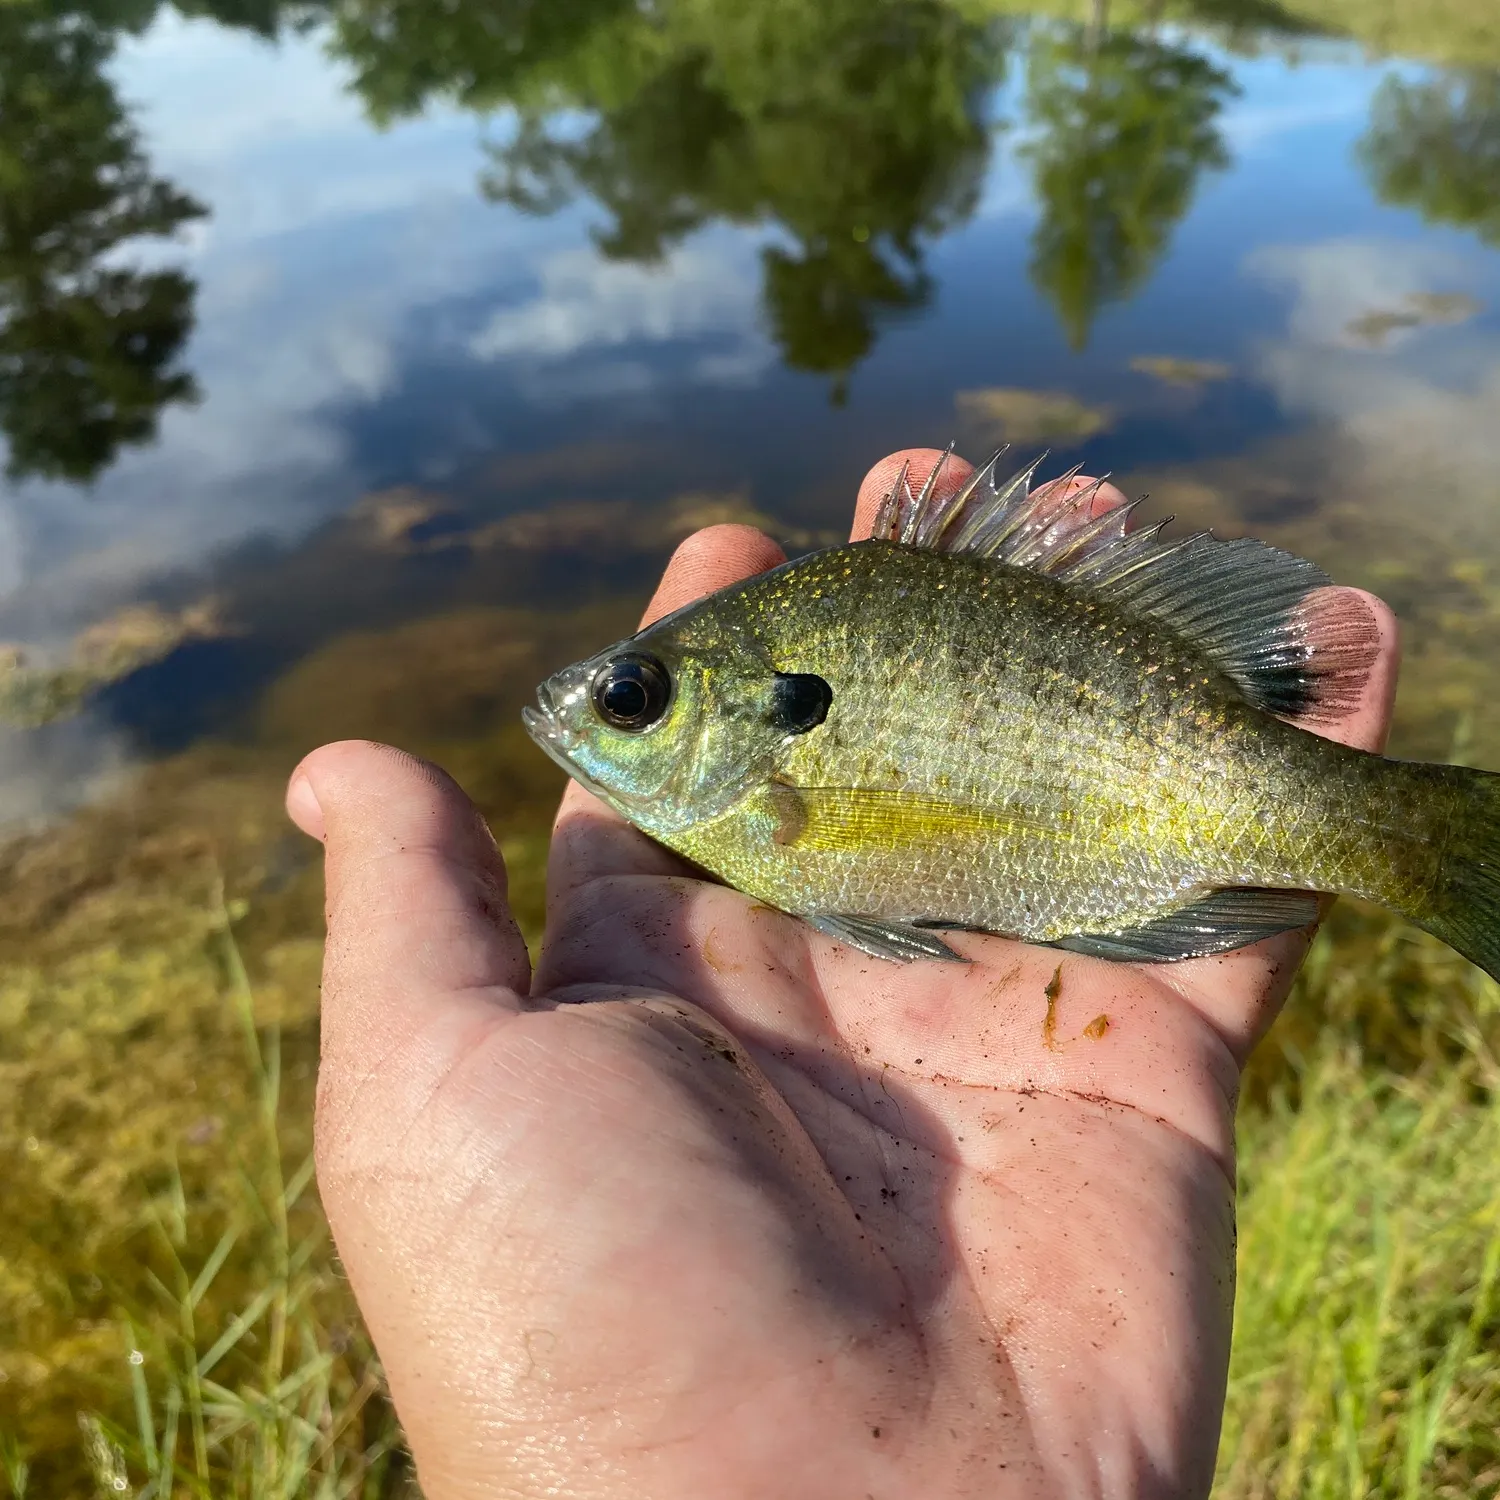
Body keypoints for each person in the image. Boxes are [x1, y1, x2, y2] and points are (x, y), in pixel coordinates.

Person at [286, 449, 1398, 1499]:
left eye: (632, 701)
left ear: (746, 702)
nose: (590, 714)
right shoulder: (757, 782)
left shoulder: (763, 801)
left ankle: (1408, 841)